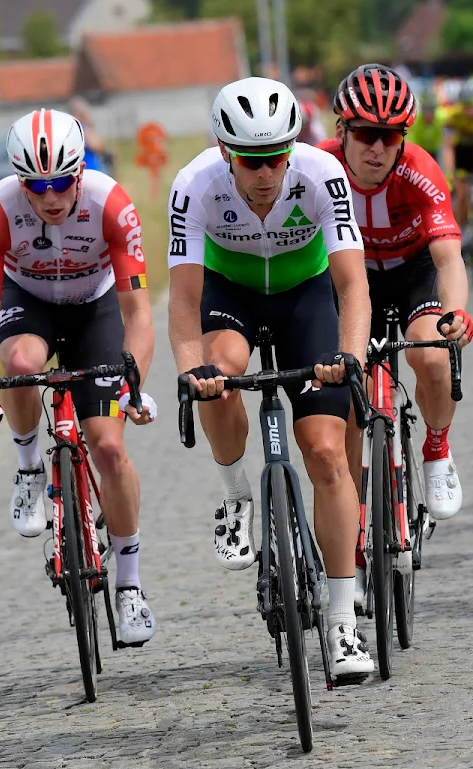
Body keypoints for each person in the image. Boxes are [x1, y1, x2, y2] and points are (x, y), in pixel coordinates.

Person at [166, 77, 376, 682]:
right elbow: (182, 304)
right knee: (220, 371)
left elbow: (351, 284)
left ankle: (342, 624)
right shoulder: (194, 185)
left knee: (328, 453)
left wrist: (350, 354)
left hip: (303, 293)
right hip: (229, 292)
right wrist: (190, 371)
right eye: (254, 161)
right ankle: (236, 493)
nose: (267, 172)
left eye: (278, 156)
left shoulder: (320, 175)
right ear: (227, 152)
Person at [0, 109, 160, 646]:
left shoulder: (111, 204)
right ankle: (29, 466)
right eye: (37, 186)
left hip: (95, 308)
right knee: (23, 366)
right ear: (19, 182)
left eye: (60, 183)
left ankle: (129, 585)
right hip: (28, 303)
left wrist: (133, 385)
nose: (50, 197)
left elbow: (140, 315)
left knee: (110, 449)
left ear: (80, 172)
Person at [319, 63, 473, 607]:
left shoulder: (420, 170)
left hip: (411, 274)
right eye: (365, 134)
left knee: (431, 358)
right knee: (348, 413)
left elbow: (450, 257)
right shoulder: (317, 166)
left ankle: (435, 450)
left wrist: (456, 313)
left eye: (390, 136)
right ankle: (352, 548)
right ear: (342, 131)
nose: (377, 148)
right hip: (351, 281)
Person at [438, 81, 473, 235]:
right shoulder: (453, 116)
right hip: (462, 152)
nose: (469, 112)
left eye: (472, 107)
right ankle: (460, 232)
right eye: (466, 107)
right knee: (461, 193)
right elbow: (448, 147)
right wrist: (450, 173)